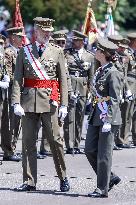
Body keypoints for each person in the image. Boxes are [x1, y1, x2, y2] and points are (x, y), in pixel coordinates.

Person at [12, 17, 70, 192]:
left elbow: (63, 81)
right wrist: (16, 102)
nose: (47, 34)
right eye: (44, 31)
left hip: (50, 102)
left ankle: (63, 177)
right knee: (28, 143)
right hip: (29, 103)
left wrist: (64, 104)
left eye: (49, 31)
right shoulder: (24, 52)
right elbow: (17, 79)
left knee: (55, 141)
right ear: (36, 31)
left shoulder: (57, 51)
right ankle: (29, 181)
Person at [85, 38, 121, 198]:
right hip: (96, 114)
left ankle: (102, 188)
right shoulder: (100, 70)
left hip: (108, 116)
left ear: (103, 54)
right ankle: (110, 177)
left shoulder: (113, 73)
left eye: (98, 50)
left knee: (104, 154)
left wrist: (109, 119)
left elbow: (114, 98)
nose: (95, 52)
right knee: (89, 149)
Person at [64, 30, 94, 154]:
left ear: (82, 41)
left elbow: (91, 76)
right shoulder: (67, 54)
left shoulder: (89, 56)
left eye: (76, 40)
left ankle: (76, 144)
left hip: (82, 87)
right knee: (70, 116)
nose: (74, 42)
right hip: (70, 86)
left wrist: (90, 92)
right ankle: (69, 145)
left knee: (80, 117)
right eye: (73, 40)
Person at [1, 27, 25, 162]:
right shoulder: (8, 52)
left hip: (20, 90)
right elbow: (8, 72)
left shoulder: (20, 51)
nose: (22, 39)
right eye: (20, 37)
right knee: (10, 121)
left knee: (17, 121)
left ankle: (13, 148)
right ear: (13, 38)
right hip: (11, 91)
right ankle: (8, 151)